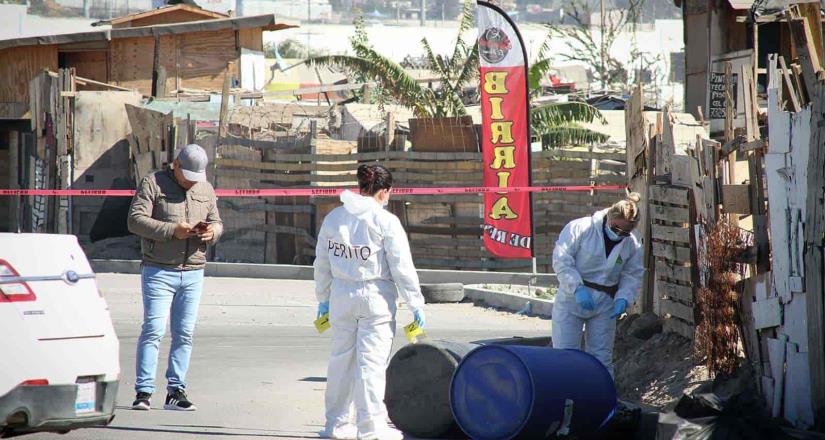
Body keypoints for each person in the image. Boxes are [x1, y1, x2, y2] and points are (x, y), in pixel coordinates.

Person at [314, 164, 426, 440]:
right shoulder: (385, 221)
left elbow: (322, 263)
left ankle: (336, 425)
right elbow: (402, 267)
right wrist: (415, 303)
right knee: (371, 365)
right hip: (375, 297)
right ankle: (371, 428)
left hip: (341, 296)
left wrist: (323, 298)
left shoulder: (334, 218)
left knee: (341, 362)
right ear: (385, 191)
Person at [127, 143, 223, 411]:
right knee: (153, 331)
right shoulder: (153, 183)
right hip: (158, 270)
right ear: (176, 165)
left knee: (184, 334)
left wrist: (211, 232)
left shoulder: (205, 189)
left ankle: (176, 390)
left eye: (196, 179)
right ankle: (144, 391)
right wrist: (173, 230)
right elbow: (135, 220)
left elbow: (217, 221)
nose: (192, 184)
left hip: (193, 272)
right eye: (187, 177)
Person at [551, 192, 644, 376]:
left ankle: (602, 401)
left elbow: (632, 274)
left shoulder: (632, 242)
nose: (619, 235)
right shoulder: (580, 228)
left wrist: (624, 298)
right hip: (572, 299)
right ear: (610, 217)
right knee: (565, 355)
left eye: (625, 232)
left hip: (605, 303)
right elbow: (562, 260)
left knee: (602, 358)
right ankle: (566, 399)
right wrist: (576, 288)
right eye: (616, 229)